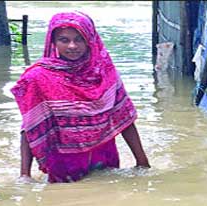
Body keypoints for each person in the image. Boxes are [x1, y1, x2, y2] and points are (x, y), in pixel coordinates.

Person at [11, 11, 150, 183]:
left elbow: (124, 117)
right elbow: (30, 127)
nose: (72, 46)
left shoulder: (104, 71)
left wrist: (142, 162)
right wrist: (25, 174)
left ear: (90, 40)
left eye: (79, 39)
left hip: (104, 158)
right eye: (64, 40)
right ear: (53, 41)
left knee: (110, 202)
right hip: (63, 164)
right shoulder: (38, 77)